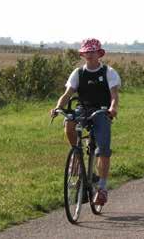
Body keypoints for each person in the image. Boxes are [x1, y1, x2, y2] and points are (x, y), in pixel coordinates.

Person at [51, 38, 121, 206]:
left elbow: (114, 95)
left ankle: (102, 188)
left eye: (92, 51)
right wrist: (57, 107)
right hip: (83, 108)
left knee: (103, 148)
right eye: (86, 52)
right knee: (69, 122)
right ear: (82, 54)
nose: (89, 55)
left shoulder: (108, 72)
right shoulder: (78, 73)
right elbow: (68, 93)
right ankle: (77, 154)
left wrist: (113, 108)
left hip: (102, 110)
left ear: (99, 53)